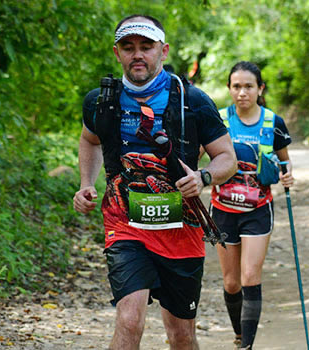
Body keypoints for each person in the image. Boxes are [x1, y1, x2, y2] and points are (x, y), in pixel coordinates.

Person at [72, 14, 237, 350]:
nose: (138, 54)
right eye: (128, 47)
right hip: (125, 225)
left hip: (182, 229)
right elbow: (90, 140)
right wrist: (85, 183)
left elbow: (227, 159)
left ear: (163, 50)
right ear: (116, 52)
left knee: (180, 334)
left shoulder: (193, 101)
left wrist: (202, 176)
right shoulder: (100, 101)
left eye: (146, 47)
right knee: (129, 320)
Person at [208, 61, 293, 349]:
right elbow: (197, 156)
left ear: (260, 89)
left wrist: (287, 174)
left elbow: (283, 159)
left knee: (249, 276)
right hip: (222, 210)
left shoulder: (272, 121)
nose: (242, 92)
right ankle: (239, 334)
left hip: (258, 209)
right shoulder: (217, 120)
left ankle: (248, 346)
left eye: (248, 86)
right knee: (231, 283)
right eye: (236, 86)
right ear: (229, 89)